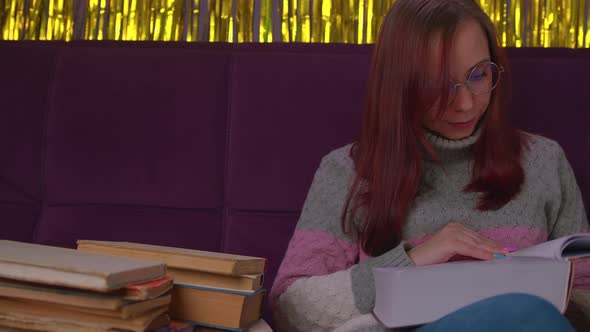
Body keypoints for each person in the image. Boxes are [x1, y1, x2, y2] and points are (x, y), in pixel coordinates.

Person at [268, 0, 590, 331]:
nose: (465, 104)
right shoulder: (347, 171)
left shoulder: (544, 161)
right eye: (438, 86)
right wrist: (411, 261)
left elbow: (584, 294)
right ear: (400, 85)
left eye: (479, 75)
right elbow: (291, 309)